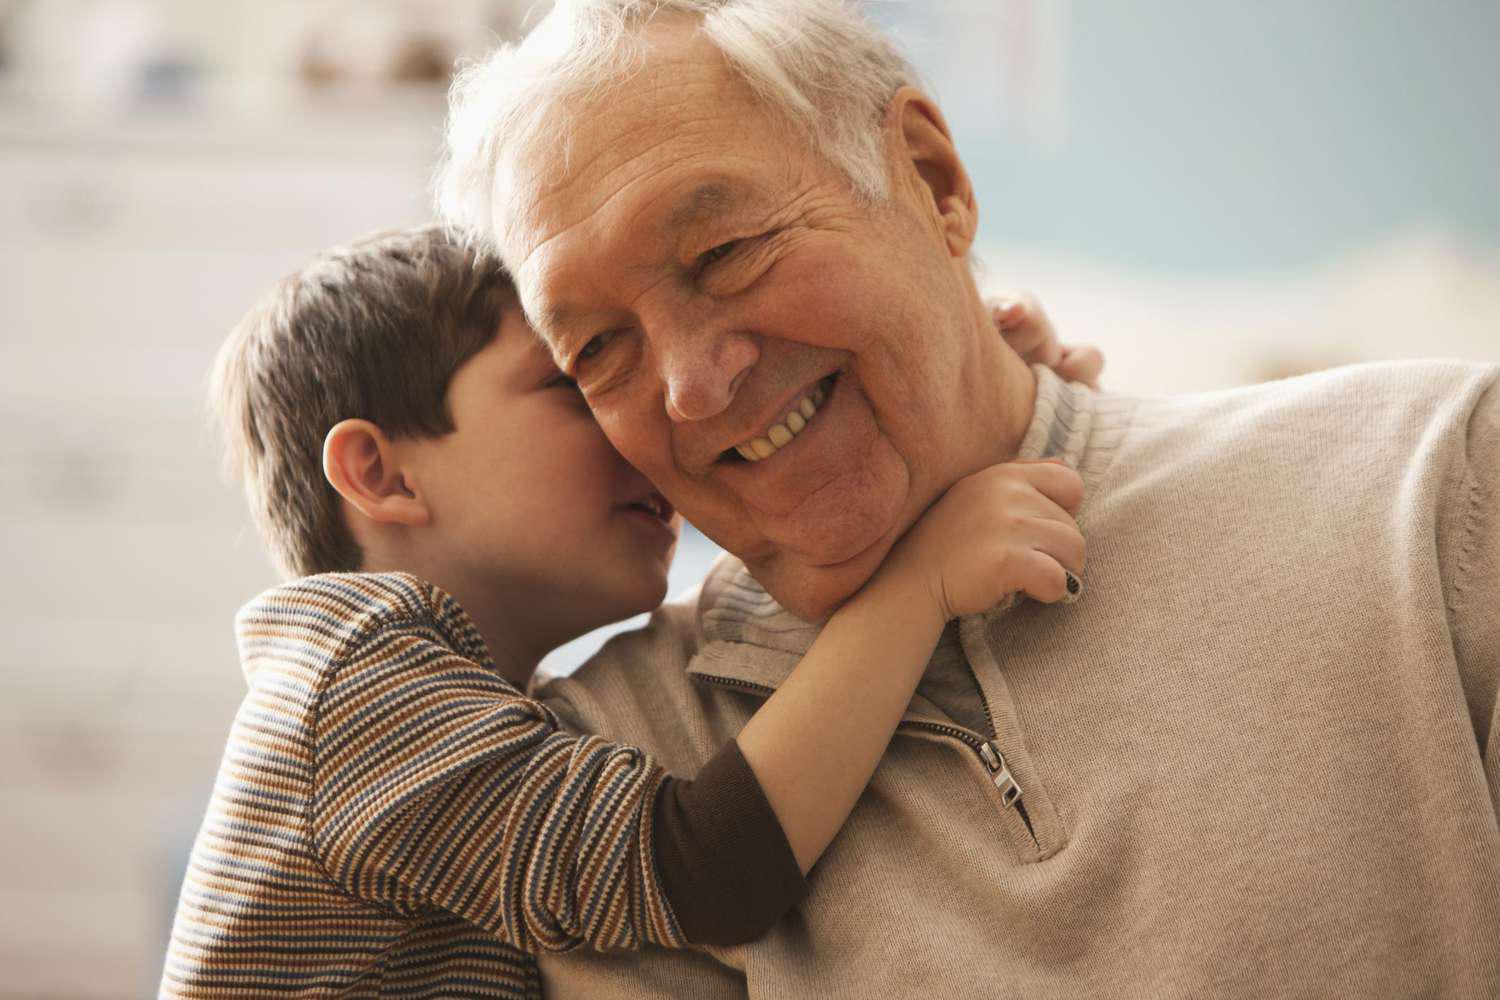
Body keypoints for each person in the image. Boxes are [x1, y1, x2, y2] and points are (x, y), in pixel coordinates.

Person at [434, 1, 1500, 996]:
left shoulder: (1434, 490)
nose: (692, 384)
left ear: (934, 182)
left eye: (724, 251)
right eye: (600, 348)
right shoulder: (607, 778)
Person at [159, 224, 1096, 998]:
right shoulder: (354, 692)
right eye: (577, 383)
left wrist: (971, 420)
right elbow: (705, 868)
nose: (646, 425)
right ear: (382, 474)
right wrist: (922, 580)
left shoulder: (441, 697)